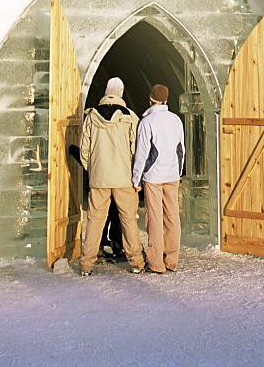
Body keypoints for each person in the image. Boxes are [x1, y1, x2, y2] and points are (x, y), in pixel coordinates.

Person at [78, 77, 145, 276]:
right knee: (128, 220)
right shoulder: (130, 117)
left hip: (99, 177)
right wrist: (133, 173)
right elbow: (136, 149)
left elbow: (84, 149)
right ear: (122, 92)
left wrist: (94, 170)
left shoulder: (91, 116)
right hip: (123, 178)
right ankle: (136, 262)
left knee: (94, 220)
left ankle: (86, 264)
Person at [132, 83, 185, 273]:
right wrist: (178, 172)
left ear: (150, 99)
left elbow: (142, 153)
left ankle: (156, 263)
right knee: (172, 216)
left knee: (154, 218)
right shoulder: (176, 120)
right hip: (172, 174)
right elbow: (181, 149)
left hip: (153, 176)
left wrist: (136, 179)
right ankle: (172, 259)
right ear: (166, 99)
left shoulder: (147, 122)